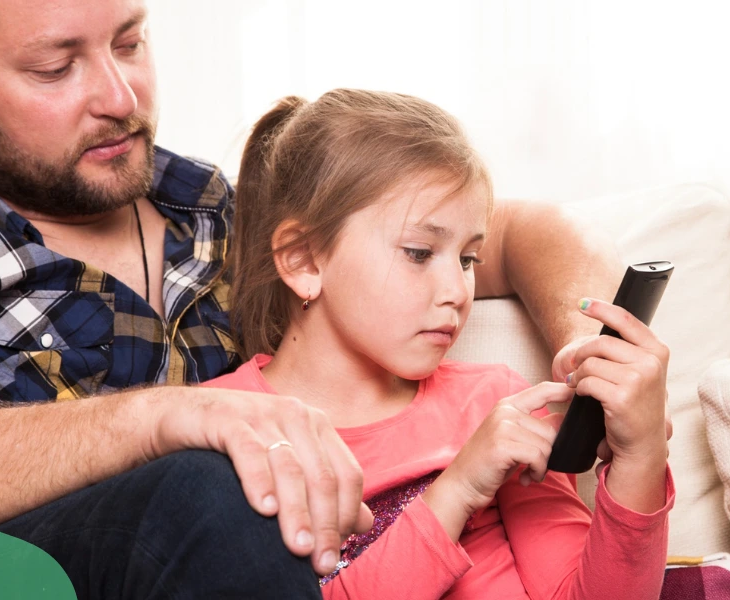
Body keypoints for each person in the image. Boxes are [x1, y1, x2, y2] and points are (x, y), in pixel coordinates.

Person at [0, 0, 659, 597]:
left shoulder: (214, 208)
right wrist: (161, 418)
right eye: (56, 67)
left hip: (236, 569)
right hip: (0, 576)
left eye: (130, 43)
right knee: (215, 481)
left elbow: (505, 230)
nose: (120, 98)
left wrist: (595, 376)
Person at [203, 89, 674, 599]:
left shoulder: (500, 406)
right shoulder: (225, 430)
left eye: (468, 259)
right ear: (303, 261)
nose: (456, 292)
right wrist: (458, 491)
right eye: (419, 252)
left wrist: (640, 458)